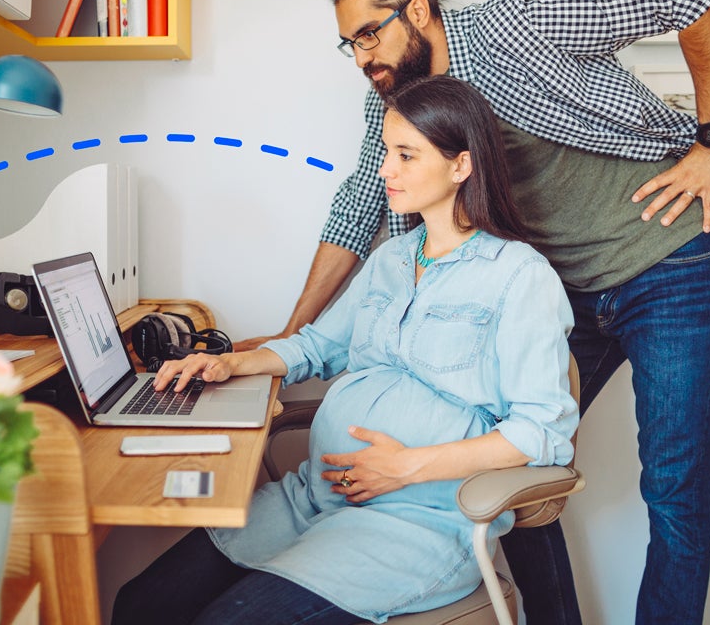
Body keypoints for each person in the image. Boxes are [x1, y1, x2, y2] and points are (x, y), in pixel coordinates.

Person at [235, 0, 710, 625]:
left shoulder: (517, 24)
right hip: (562, 286)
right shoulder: (396, 100)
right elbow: (360, 203)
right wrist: (290, 335)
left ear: (418, 11)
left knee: (674, 492)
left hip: (667, 264)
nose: (361, 58)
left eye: (369, 35)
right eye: (349, 44)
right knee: (514, 475)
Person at [110, 75, 578, 625]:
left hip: (417, 522)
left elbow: (542, 431)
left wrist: (405, 467)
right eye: (387, 151)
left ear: (461, 166)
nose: (385, 170)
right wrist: (229, 362)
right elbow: (316, 347)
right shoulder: (391, 259)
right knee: (141, 605)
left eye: (406, 155)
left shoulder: (519, 275)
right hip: (314, 497)